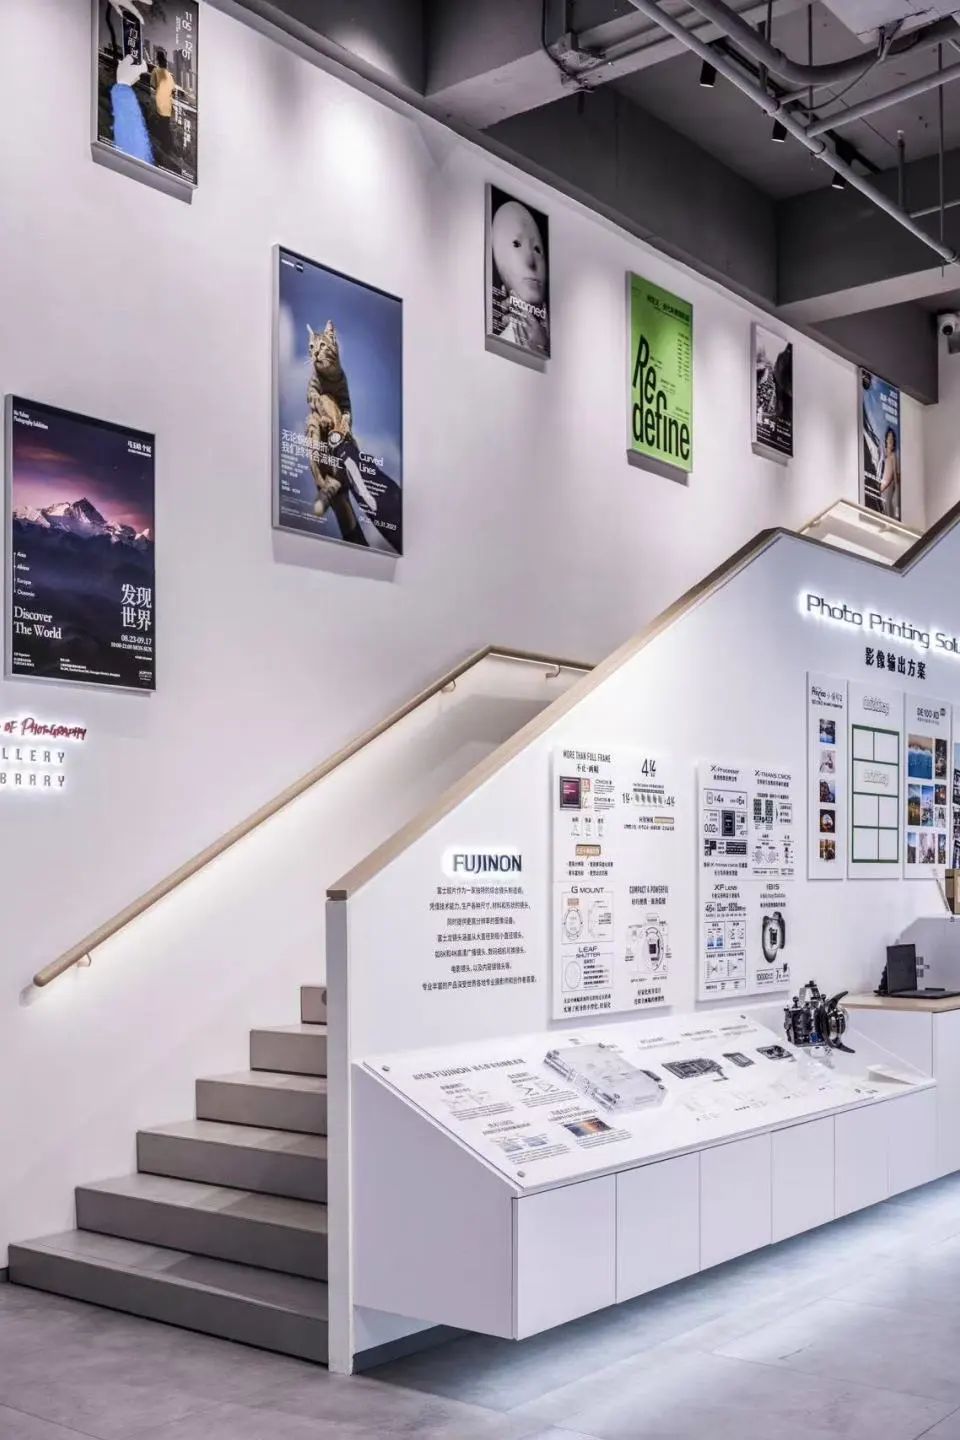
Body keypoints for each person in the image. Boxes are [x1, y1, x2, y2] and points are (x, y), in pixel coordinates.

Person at [491, 199, 549, 355]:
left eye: (537, 249)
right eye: (516, 244)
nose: (530, 261)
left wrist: (543, 346)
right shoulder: (501, 347)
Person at [878, 425, 900, 519]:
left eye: (892, 438)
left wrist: (896, 490)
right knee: (883, 509)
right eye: (889, 437)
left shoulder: (893, 456)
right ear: (886, 439)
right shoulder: (884, 457)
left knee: (888, 510)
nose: (890, 440)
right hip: (883, 489)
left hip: (889, 489)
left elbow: (895, 475)